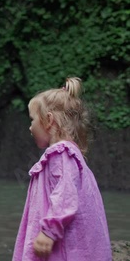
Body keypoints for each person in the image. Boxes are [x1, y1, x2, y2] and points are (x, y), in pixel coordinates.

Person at [13, 77, 112, 260]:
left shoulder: (61, 154)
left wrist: (49, 231)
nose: (30, 127)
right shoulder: (70, 154)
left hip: (62, 246)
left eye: (32, 120)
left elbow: (65, 196)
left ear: (48, 120)